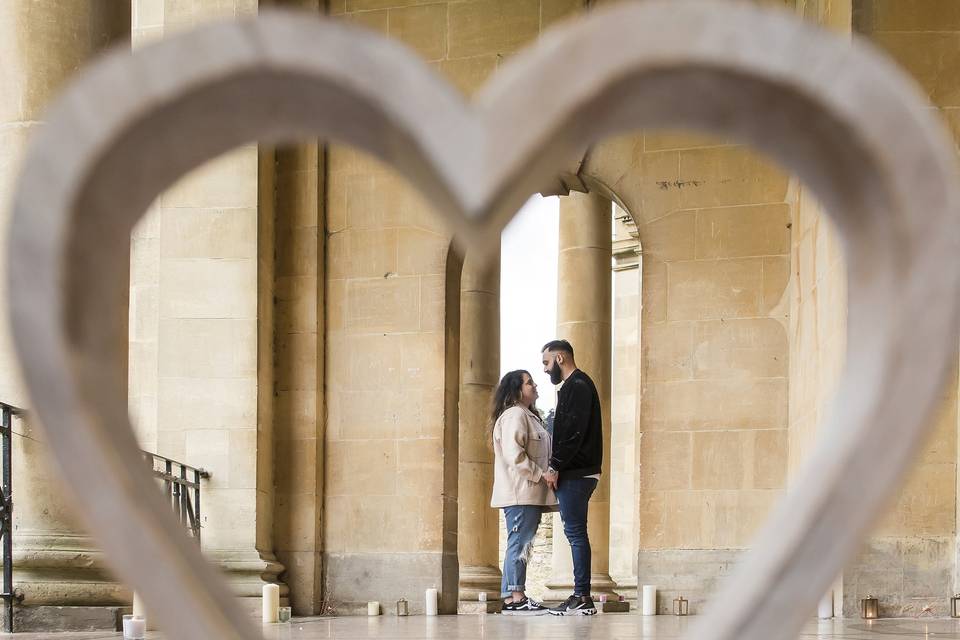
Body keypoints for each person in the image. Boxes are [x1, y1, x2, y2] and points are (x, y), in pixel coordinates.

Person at [540, 339, 602, 616]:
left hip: (577, 473)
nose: (545, 369)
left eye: (546, 362)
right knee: (576, 533)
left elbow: (572, 433)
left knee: (576, 533)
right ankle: (581, 595)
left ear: (560, 358)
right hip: (581, 471)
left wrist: (554, 466)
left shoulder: (576, 385)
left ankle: (582, 596)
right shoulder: (576, 385)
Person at [489, 370, 558, 615]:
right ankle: (515, 598)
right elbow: (514, 455)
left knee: (522, 544)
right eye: (529, 382)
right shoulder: (515, 415)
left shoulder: (529, 416)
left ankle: (513, 595)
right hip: (521, 493)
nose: (535, 385)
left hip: (529, 494)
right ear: (517, 389)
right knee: (519, 544)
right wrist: (542, 475)